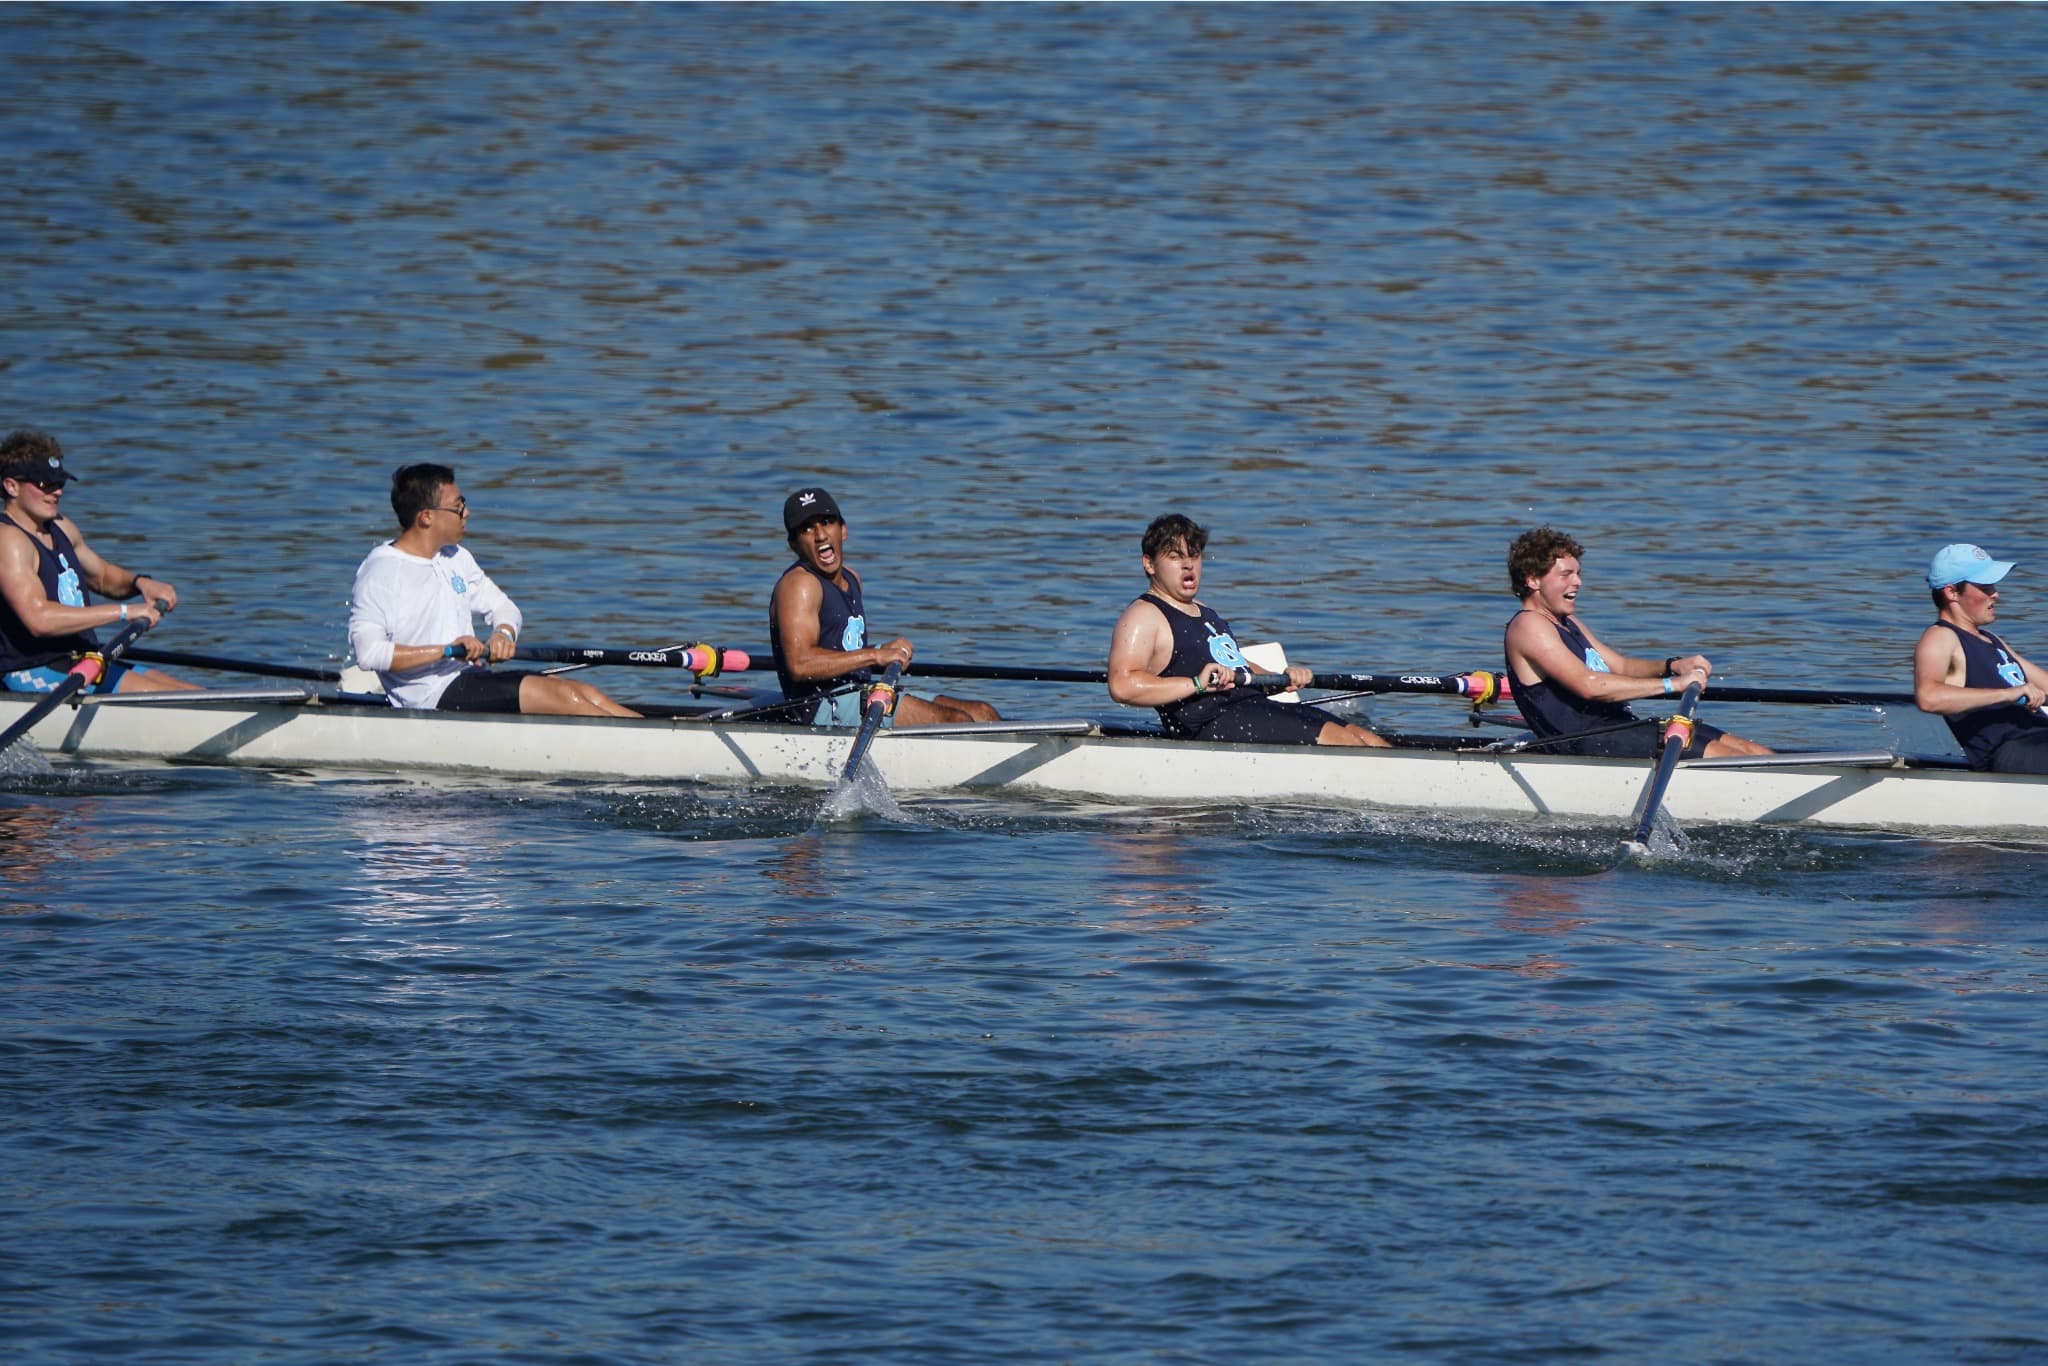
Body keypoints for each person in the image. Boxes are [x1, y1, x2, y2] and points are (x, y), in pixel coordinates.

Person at [347, 464, 638, 717]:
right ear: (426, 517)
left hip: (469, 679)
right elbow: (370, 654)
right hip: (428, 697)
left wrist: (503, 634)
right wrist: (446, 650)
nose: (467, 512)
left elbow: (504, 608)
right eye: (458, 506)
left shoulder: (456, 557)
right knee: (565, 697)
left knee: (584, 693)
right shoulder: (381, 571)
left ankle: (653, 739)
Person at [1106, 513, 1389, 746]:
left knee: (1366, 738)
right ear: (1149, 564)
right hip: (1210, 724)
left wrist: (1280, 678)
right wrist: (1197, 684)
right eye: (1175, 557)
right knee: (1344, 741)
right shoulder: (1143, 616)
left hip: (1251, 710)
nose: (1188, 564)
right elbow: (1122, 685)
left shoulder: (1204, 611)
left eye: (1194, 555)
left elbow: (1238, 666)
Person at [1503, 526, 1770, 758]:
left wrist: (1673, 666)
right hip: (1585, 742)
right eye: (1566, 574)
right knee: (1730, 758)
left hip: (1619, 730)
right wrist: (1673, 685)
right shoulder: (1529, 626)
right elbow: (1589, 686)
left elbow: (1622, 666)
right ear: (1533, 579)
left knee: (1752, 751)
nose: (1578, 581)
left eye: (1578, 573)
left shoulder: (1567, 621)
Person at [768, 487, 998, 728]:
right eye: (806, 529)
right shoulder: (800, 584)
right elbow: (800, 664)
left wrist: (880, 650)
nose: (820, 535)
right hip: (820, 708)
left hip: (858, 694)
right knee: (956, 722)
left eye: (827, 523)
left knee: (983, 713)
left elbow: (842, 651)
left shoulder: (852, 579)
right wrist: (875, 655)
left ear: (843, 530)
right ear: (794, 545)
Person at [0, 429, 195, 694]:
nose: (57, 492)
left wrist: (141, 583)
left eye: (60, 482)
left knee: (198, 694)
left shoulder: (61, 527)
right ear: (11, 486)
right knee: (184, 701)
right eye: (45, 484)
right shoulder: (8, 540)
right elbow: (39, 619)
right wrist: (124, 612)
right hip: (32, 670)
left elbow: (102, 576)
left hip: (82, 661)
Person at [1912, 543, 2048, 774]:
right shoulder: (1941, 637)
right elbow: (1928, 697)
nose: (1995, 593)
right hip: (2009, 751)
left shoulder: (1992, 640)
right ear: (1951, 592)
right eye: (1984, 587)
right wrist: (2009, 694)